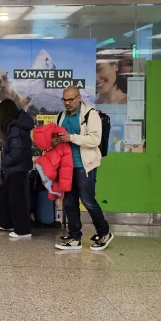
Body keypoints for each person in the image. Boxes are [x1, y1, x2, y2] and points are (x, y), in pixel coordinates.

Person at [53, 86, 113, 251]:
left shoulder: (90, 114)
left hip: (84, 165)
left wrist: (71, 137)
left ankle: (104, 232)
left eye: (71, 99)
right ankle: (74, 237)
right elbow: (57, 138)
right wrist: (56, 141)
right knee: (69, 202)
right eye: (64, 100)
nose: (67, 103)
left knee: (87, 201)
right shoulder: (61, 116)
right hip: (67, 166)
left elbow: (95, 140)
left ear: (79, 98)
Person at [0, 98, 35, 240]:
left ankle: (23, 231)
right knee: (7, 197)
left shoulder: (16, 128)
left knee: (17, 200)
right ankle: (6, 223)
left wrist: (4, 162)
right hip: (16, 168)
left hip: (17, 169)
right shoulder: (17, 125)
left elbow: (17, 152)